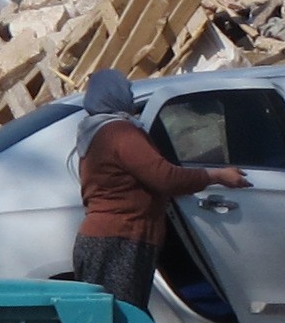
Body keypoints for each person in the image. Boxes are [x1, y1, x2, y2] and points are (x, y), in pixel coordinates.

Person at [68, 67, 244, 308]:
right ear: (114, 94)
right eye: (126, 90)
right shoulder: (119, 132)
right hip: (117, 241)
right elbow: (164, 177)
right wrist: (216, 175)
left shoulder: (99, 130)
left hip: (110, 239)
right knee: (119, 317)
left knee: (118, 317)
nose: (130, 96)